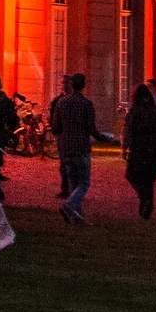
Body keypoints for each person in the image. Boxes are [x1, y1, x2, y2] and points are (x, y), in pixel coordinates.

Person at [49, 73, 97, 224]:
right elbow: (91, 129)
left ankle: (77, 217)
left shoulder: (61, 103)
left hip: (66, 147)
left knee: (73, 183)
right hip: (81, 147)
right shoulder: (86, 104)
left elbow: (56, 127)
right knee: (84, 183)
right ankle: (69, 205)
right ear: (84, 85)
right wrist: (103, 137)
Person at [122, 83, 156, 220]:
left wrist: (124, 148)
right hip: (153, 149)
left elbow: (128, 131)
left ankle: (143, 198)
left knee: (132, 176)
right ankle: (147, 202)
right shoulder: (154, 112)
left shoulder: (134, 112)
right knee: (149, 180)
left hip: (139, 149)